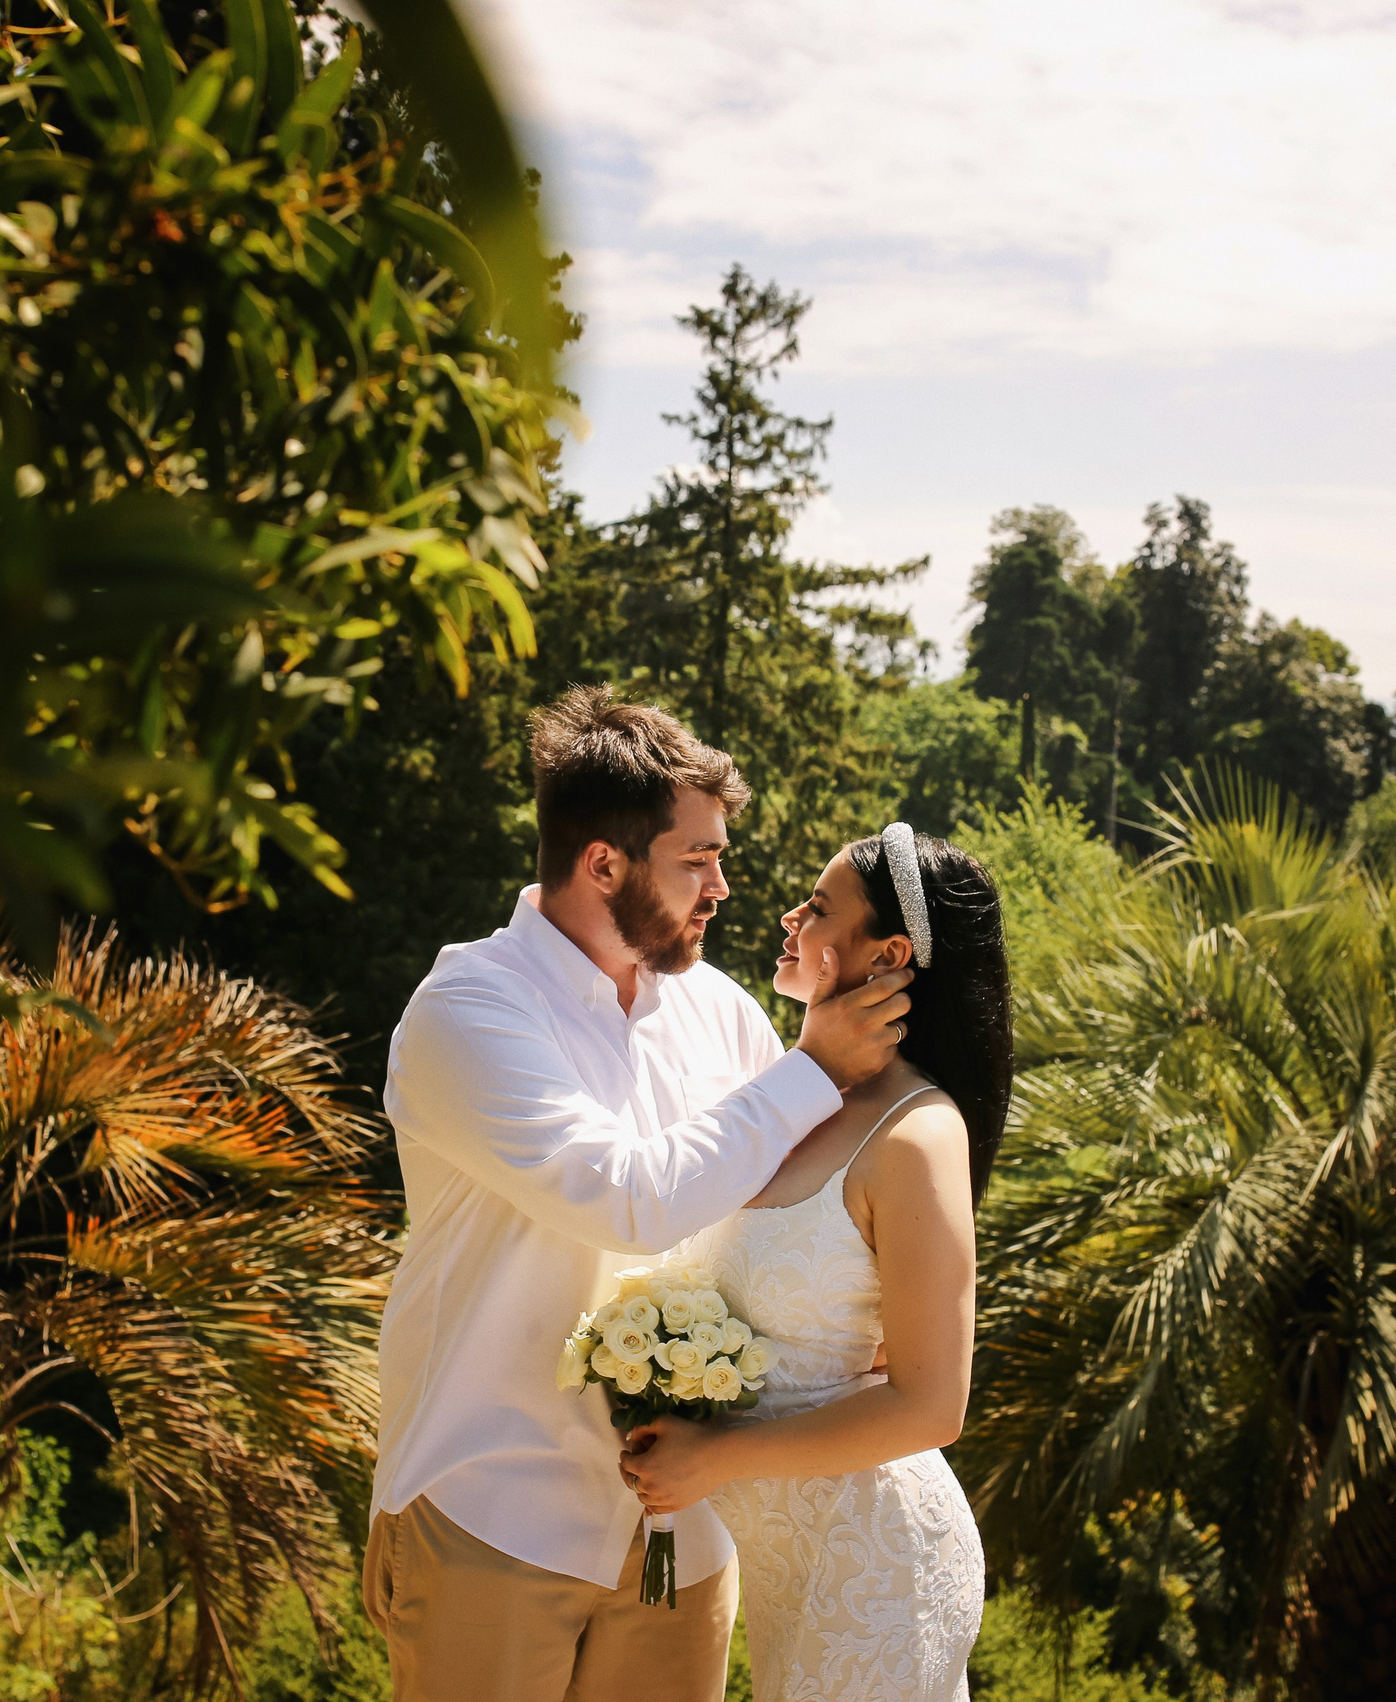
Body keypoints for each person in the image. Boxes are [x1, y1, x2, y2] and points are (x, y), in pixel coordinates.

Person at [364, 686, 914, 1702]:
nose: (721, 888)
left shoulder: (720, 1014)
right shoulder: (468, 1009)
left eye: (720, 858)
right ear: (602, 863)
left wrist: (858, 1317)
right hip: (496, 1509)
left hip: (686, 1532)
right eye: (695, 860)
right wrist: (813, 1066)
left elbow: (778, 1209)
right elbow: (627, 1198)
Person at [622, 824, 1011, 1702]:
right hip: (788, 1572)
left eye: (821, 905)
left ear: (890, 954)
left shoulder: (917, 1133)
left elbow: (933, 1404)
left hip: (878, 1570)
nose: (791, 915)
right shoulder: (790, 1099)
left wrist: (718, 1456)